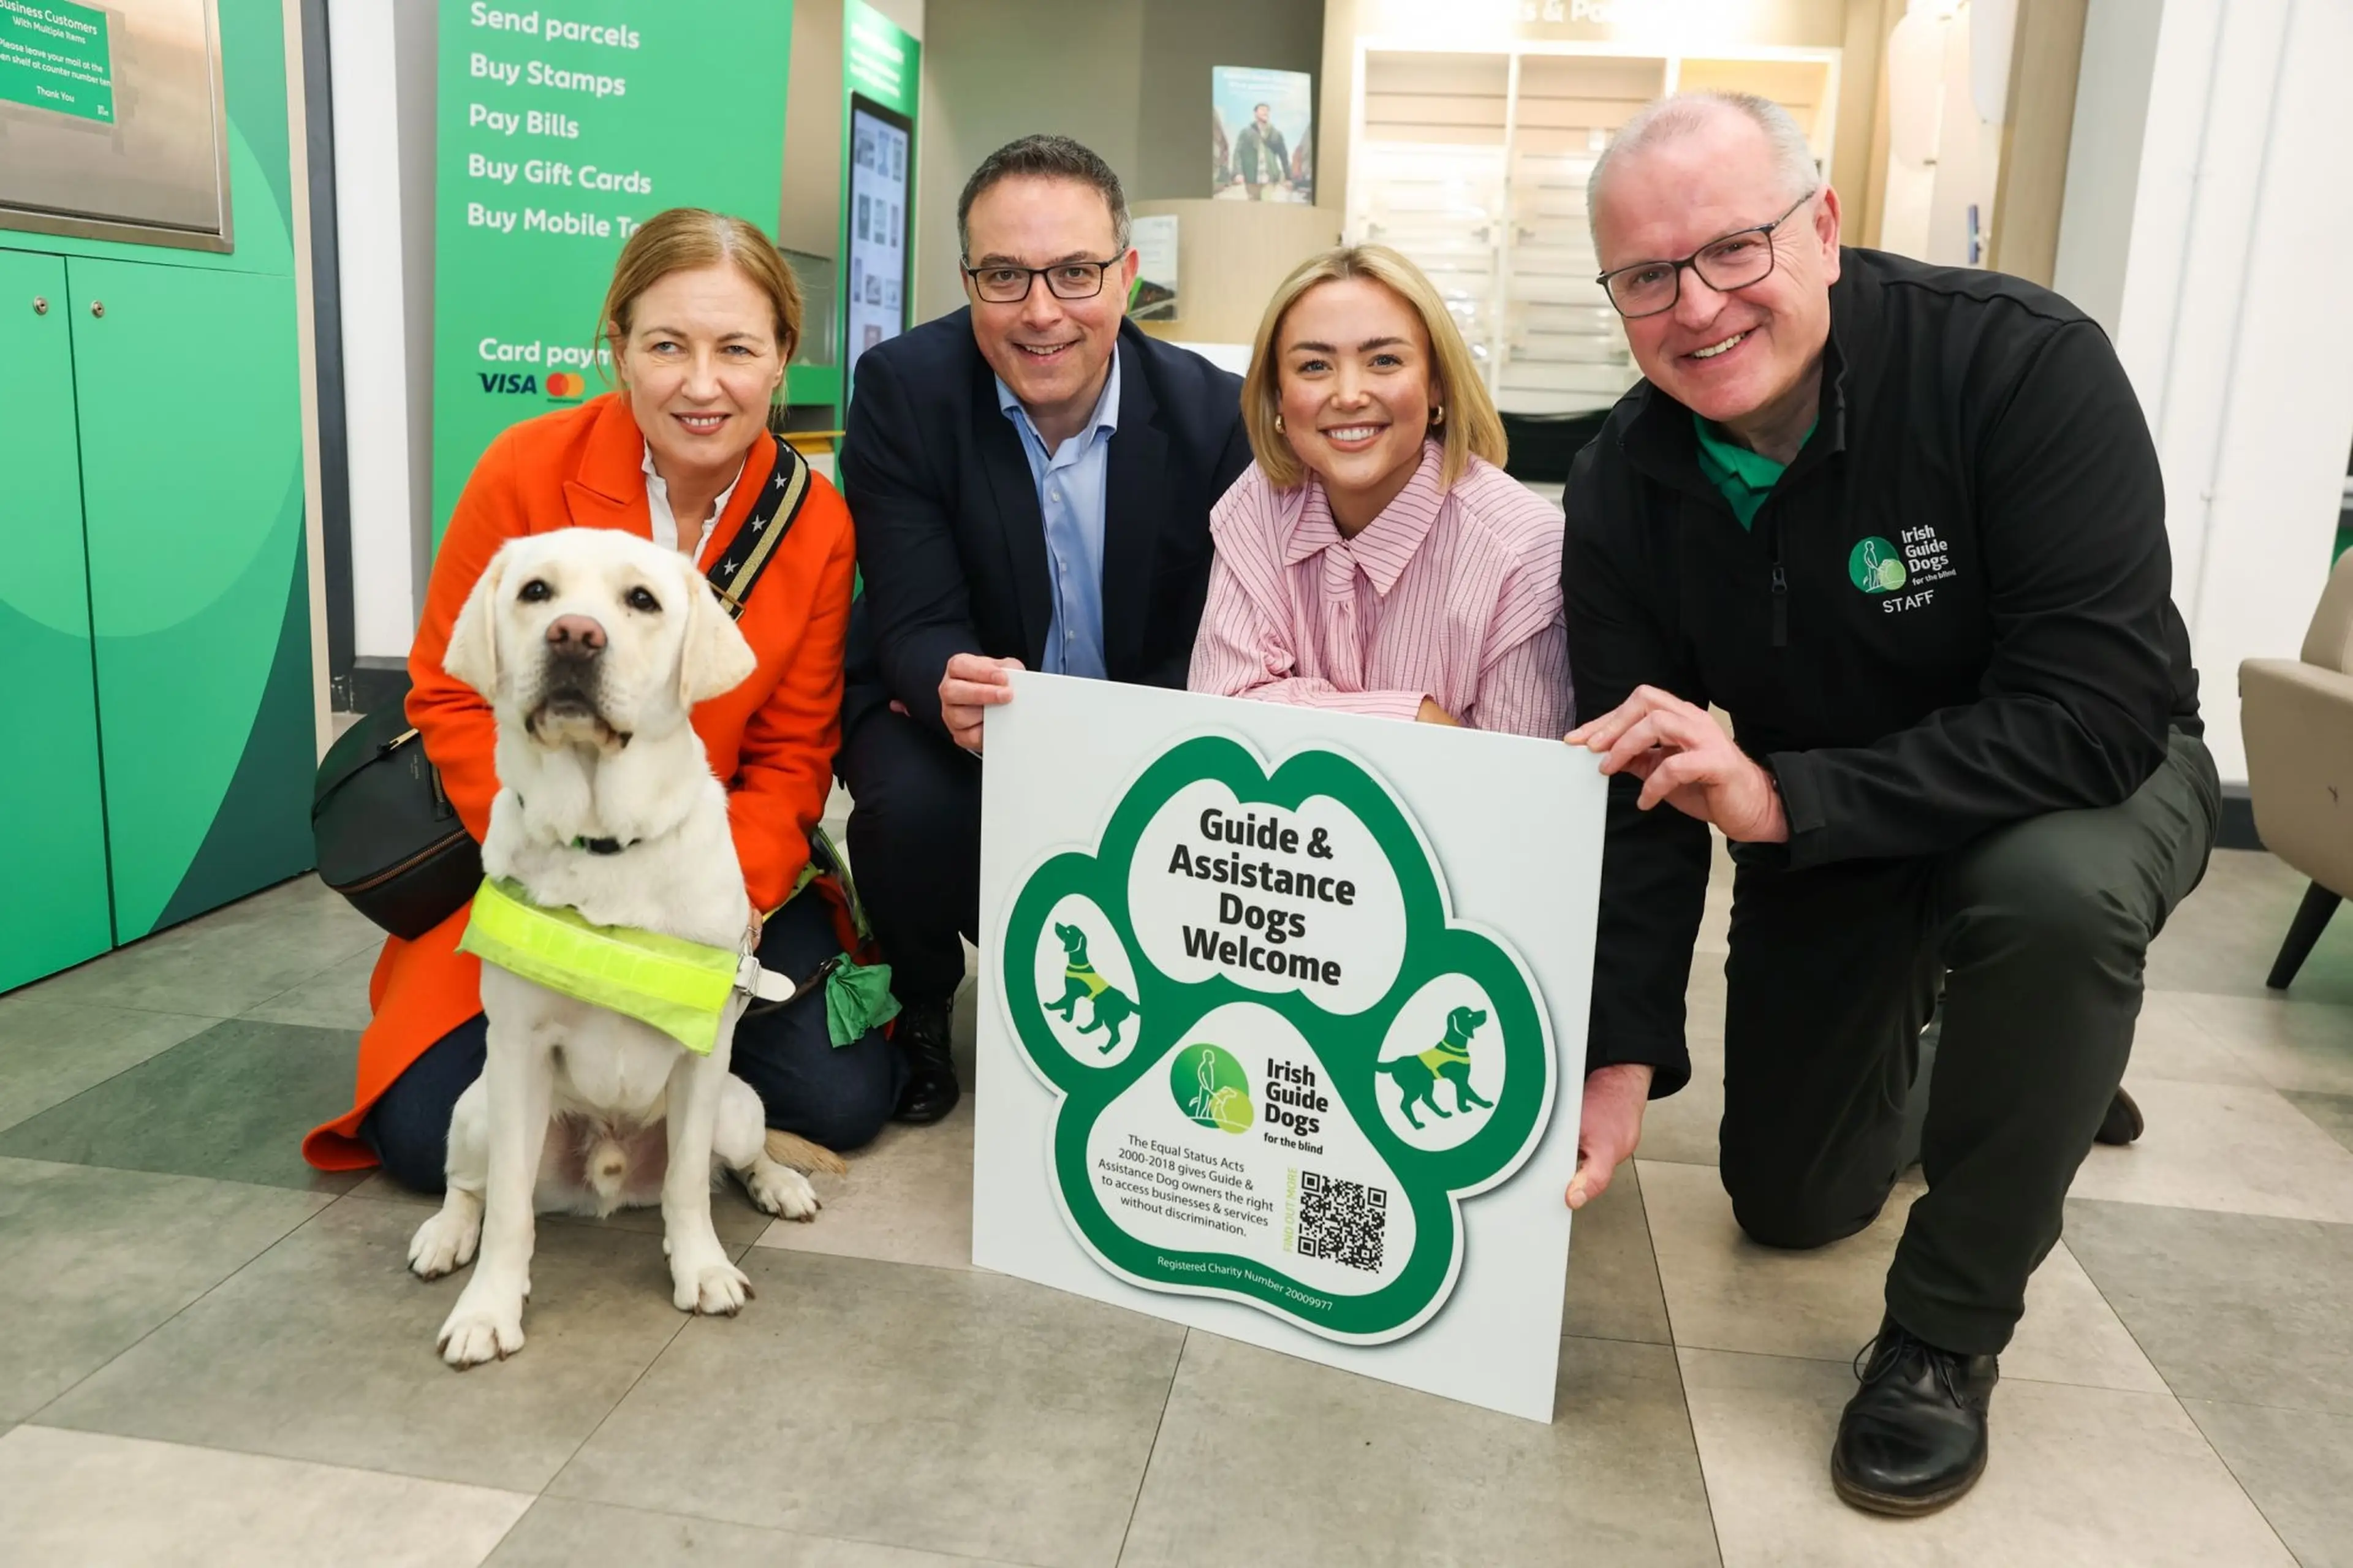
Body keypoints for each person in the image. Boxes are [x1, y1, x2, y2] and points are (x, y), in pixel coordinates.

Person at [1559, 93, 2216, 1516]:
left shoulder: (2017, 364)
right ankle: (2020, 1060)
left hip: (2083, 776)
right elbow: (1639, 790)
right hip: (1836, 816)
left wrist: (1786, 799)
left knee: (2045, 904)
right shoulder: (1622, 482)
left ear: (1824, 227)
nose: (1698, 307)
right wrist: (1615, 1054)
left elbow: (2093, 710)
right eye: (1645, 277)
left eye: (1733, 249)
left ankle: (1940, 1338)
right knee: (1788, 1202)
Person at [304, 209, 903, 1186]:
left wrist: (727, 894)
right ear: (618, 345)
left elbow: (795, 751)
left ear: (784, 356)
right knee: (424, 1137)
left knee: (842, 1098)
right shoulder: (525, 470)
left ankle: (680, 1088)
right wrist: (546, 858)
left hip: (706, 865)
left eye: (737, 348)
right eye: (666, 345)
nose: (701, 383)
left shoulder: (817, 522)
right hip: (540, 857)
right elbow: (449, 698)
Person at [836, 135, 1252, 1124]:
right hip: (971, 719)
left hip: (1143, 719)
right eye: (1005, 276)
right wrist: (944, 676)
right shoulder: (905, 388)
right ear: (967, 277)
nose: (1041, 310)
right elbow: (912, 606)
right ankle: (922, 999)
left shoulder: (1216, 417)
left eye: (1074, 272)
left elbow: (1212, 638)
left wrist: (1102, 747)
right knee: (903, 797)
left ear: (1127, 276)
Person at [1190, 244, 1569, 738]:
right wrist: (1414, 719)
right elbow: (1219, 719)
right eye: (1314, 366)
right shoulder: (1257, 503)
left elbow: (1514, 793)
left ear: (1436, 385)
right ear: (1278, 396)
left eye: (1384, 360)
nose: (1349, 395)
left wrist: (1293, 709)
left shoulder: (1525, 553)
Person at [1231, 103, 1290, 202]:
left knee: (1266, 204)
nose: (1265, 112)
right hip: (1252, 178)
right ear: (1255, 113)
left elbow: (1284, 156)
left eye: (1267, 110)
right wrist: (1238, 173)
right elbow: (1238, 153)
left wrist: (1288, 177)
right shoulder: (1246, 133)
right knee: (1253, 206)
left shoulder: (1276, 134)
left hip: (1270, 178)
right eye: (1262, 109)